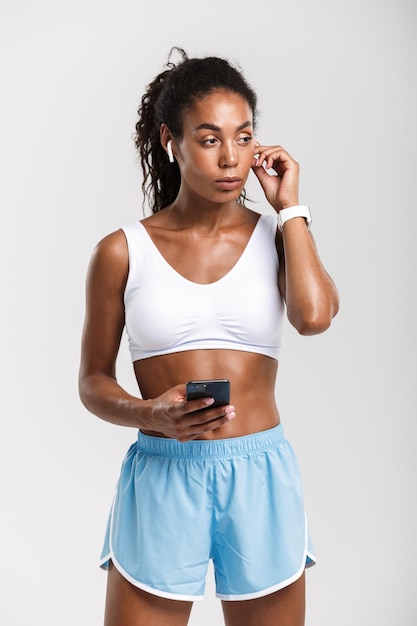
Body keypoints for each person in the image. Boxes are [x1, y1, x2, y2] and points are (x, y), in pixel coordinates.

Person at [79, 47, 339, 626]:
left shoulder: (278, 235)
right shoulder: (122, 250)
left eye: (244, 138)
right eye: (209, 138)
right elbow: (92, 381)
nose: (231, 159)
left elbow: (315, 316)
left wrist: (291, 208)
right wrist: (149, 413)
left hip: (260, 473)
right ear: (171, 140)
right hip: (164, 469)